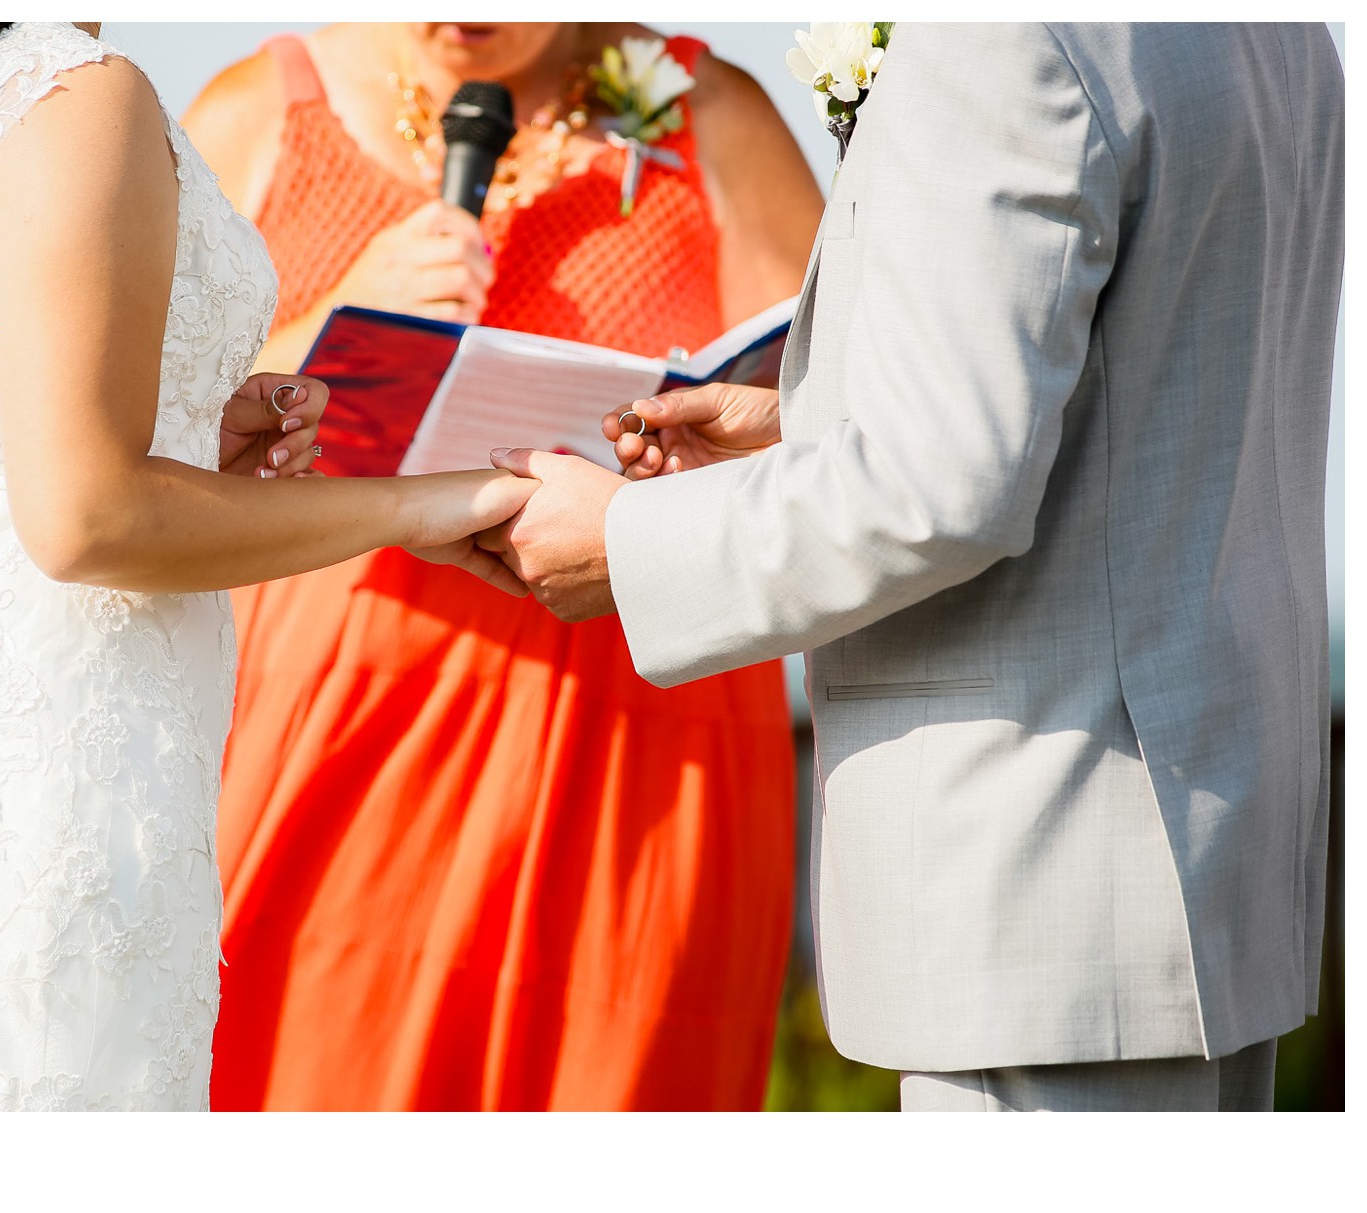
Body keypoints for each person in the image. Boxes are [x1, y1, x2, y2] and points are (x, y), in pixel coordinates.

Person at [475, 22, 1344, 1111]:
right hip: (1202, 843)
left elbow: (938, 492)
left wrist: (622, 540)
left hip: (1042, 859)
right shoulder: (1274, 33)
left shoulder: (999, 36)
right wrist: (814, 420)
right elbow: (1143, 392)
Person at [0, 21, 533, 1112]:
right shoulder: (75, 93)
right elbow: (84, 521)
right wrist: (420, 504)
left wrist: (192, 435)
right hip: (46, 783)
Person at [181, 22, 822, 1110]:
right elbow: (124, 445)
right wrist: (329, 321)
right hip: (335, 722)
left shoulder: (714, 114)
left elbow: (833, 425)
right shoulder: (255, 113)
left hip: (639, 742)